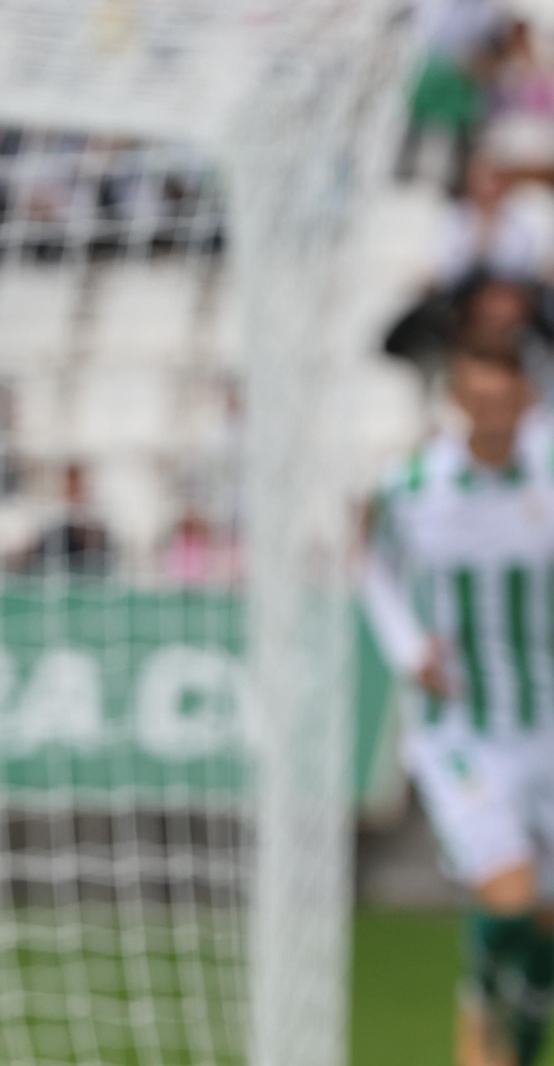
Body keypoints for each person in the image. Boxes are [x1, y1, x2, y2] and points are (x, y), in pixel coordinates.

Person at [363, 344, 554, 1066]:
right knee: (508, 899)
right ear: (458, 400)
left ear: (527, 398)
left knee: (543, 925)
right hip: (463, 731)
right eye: (480, 397)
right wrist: (408, 646)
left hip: (546, 726)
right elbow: (370, 561)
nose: (494, 410)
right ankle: (481, 1005)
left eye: (506, 396)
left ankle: (516, 1041)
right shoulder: (413, 483)